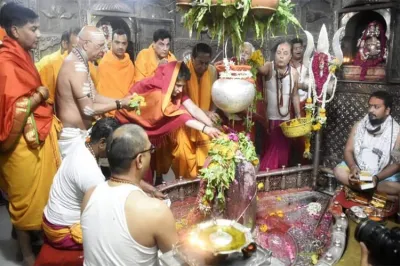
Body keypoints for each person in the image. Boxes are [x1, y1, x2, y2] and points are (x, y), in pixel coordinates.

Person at [0, 3, 61, 265]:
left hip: (36, 137)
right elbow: (13, 109)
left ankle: (39, 240)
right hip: (18, 145)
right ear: (14, 30)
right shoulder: (5, 61)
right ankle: (25, 253)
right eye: (33, 29)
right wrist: (40, 94)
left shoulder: (22, 55)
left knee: (41, 195)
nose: (38, 34)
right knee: (23, 199)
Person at [81, 124, 178, 265]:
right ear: (139, 160)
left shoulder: (90, 195)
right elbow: (177, 262)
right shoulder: (154, 210)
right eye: (150, 150)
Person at [56, 26, 133, 159]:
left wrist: (125, 101)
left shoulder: (82, 62)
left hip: (81, 134)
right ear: (86, 45)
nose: (104, 50)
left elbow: (94, 96)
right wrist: (120, 104)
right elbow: (88, 109)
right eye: (100, 46)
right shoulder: (76, 66)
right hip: (72, 137)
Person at [334, 91, 400, 197]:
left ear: (387, 110)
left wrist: (376, 178)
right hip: (359, 171)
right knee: (339, 171)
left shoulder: (397, 132)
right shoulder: (358, 125)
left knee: (395, 187)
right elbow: (348, 150)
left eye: (376, 107)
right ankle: (370, 190)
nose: (371, 110)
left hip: (381, 176)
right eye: (370, 106)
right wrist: (353, 167)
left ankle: (362, 188)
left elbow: (397, 164)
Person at [172, 43, 219, 179]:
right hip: (185, 123)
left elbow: (215, 97)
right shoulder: (184, 71)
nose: (203, 67)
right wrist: (206, 113)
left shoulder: (212, 71)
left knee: (206, 159)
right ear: (192, 58)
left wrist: (211, 114)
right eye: (200, 62)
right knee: (183, 158)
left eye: (206, 63)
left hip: (205, 121)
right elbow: (184, 103)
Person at [258, 41, 301, 170]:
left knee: (283, 155)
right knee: (272, 152)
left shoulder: (294, 73)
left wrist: (298, 114)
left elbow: (295, 95)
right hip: (270, 121)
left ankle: (278, 179)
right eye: (278, 53)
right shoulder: (269, 67)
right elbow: (259, 69)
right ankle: (267, 177)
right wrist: (254, 57)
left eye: (285, 53)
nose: (281, 56)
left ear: (290, 57)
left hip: (286, 122)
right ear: (274, 54)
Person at [38, 28, 98, 106]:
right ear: (66, 45)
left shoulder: (90, 66)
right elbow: (48, 100)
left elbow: (95, 95)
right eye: (76, 47)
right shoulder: (51, 65)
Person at [97, 29, 135, 116]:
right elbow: (101, 91)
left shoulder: (129, 64)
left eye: (123, 43)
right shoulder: (104, 63)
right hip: (109, 111)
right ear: (111, 43)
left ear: (127, 44)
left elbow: (132, 87)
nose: (120, 46)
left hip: (127, 111)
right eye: (117, 42)